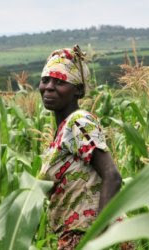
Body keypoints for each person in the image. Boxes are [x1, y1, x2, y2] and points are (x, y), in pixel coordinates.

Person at [38, 45, 122, 250]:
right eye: (45, 80)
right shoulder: (64, 130)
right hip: (75, 237)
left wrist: (98, 236)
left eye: (60, 82)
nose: (49, 87)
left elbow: (113, 176)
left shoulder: (79, 121)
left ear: (78, 90)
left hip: (89, 237)